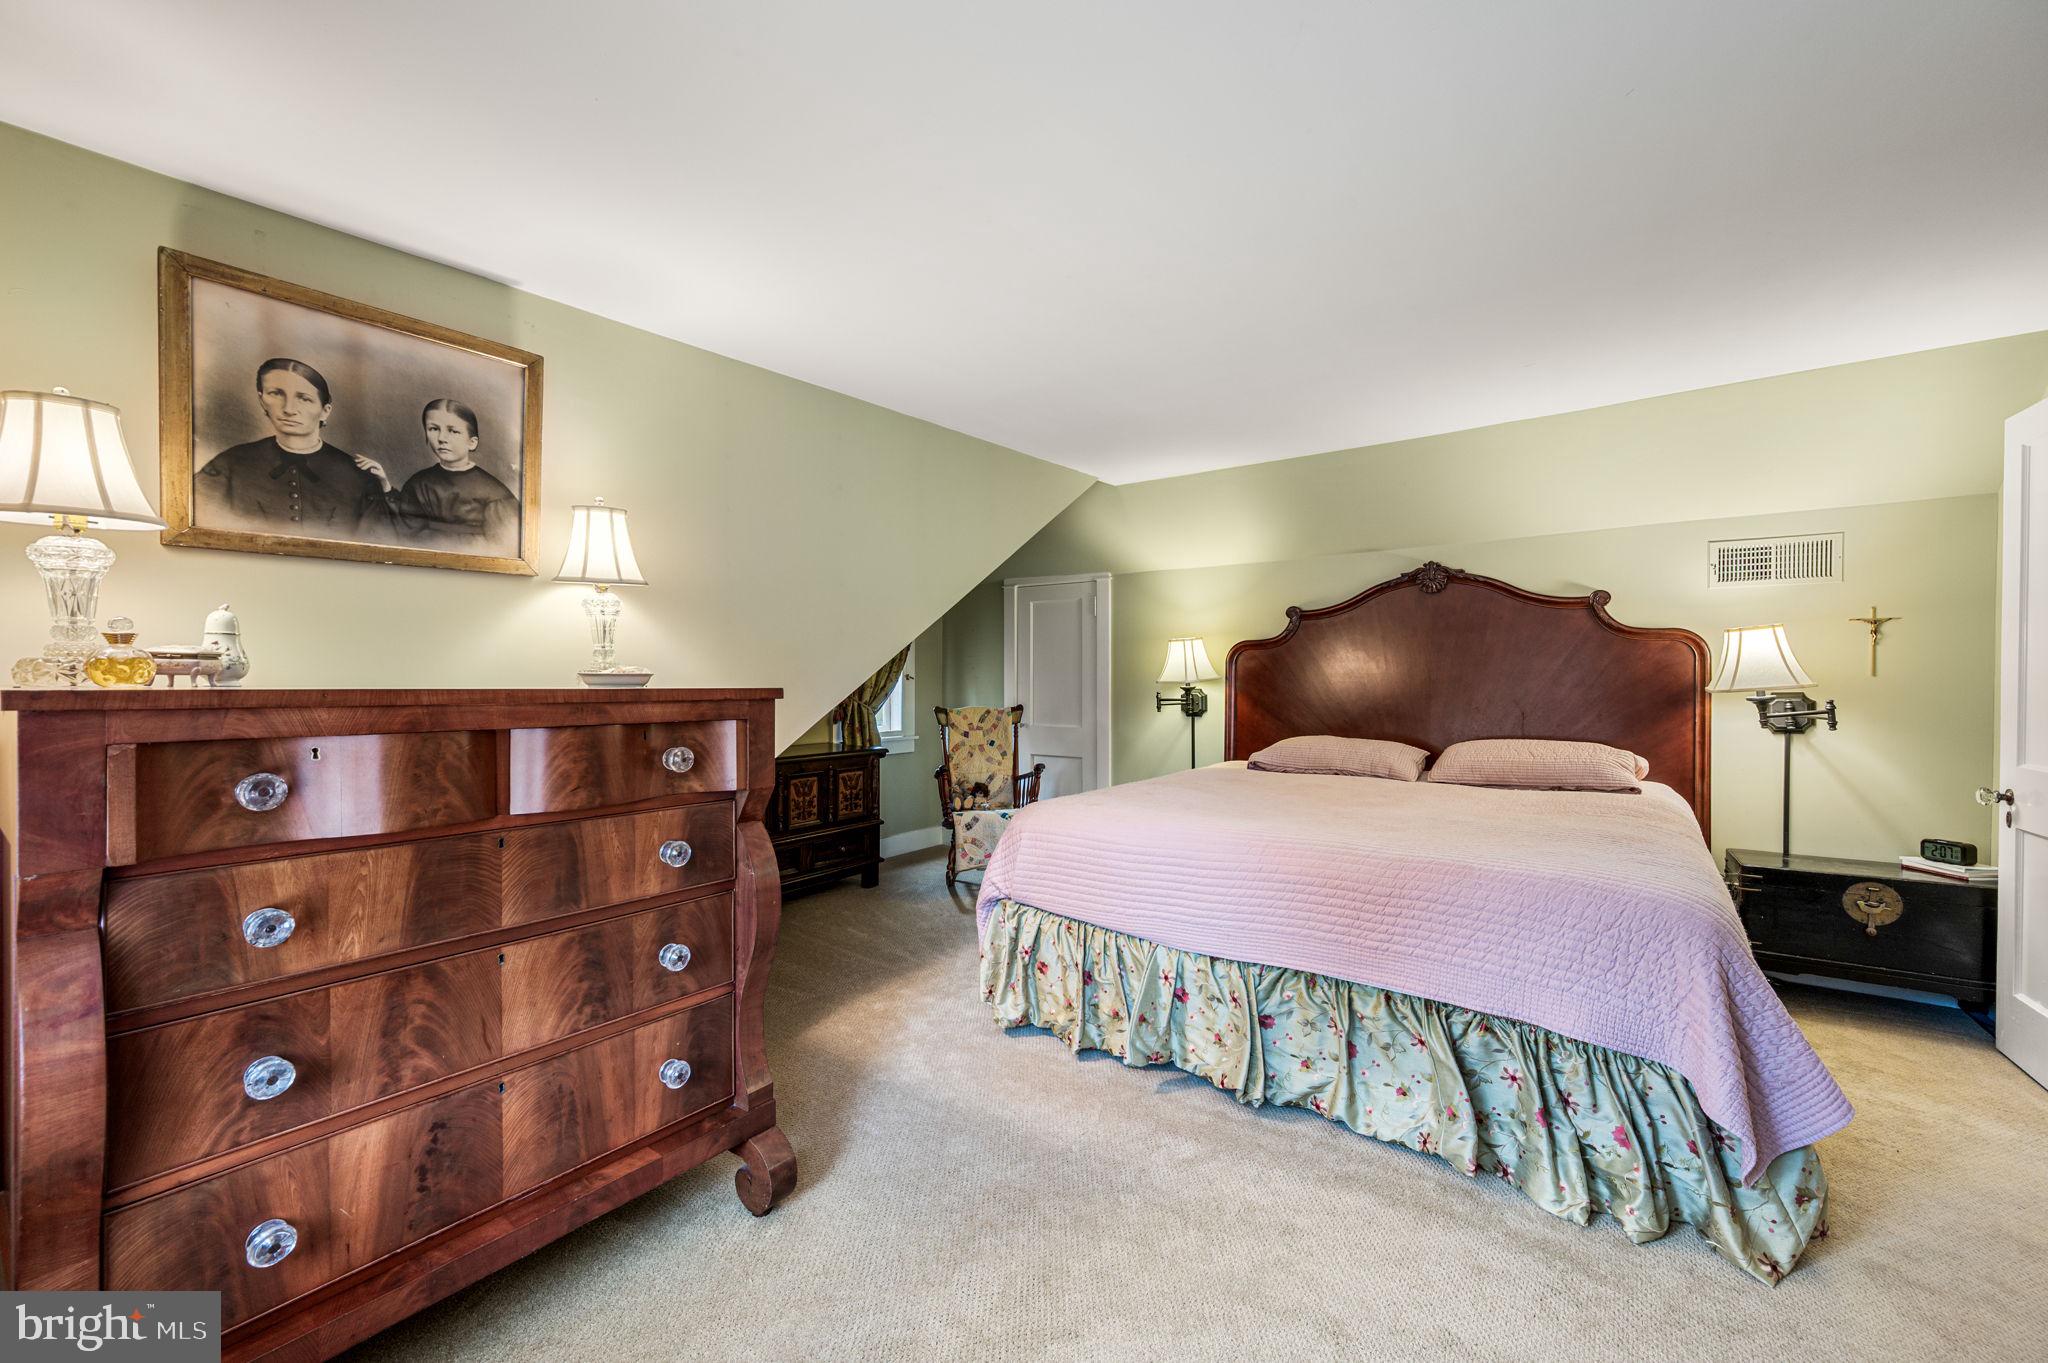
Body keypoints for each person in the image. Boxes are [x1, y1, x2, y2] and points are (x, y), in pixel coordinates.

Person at [194, 358, 394, 539]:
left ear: (325, 411)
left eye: (304, 398)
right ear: (262, 399)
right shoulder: (230, 465)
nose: (288, 409)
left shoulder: (358, 476)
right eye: (276, 394)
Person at [390, 398, 520, 554]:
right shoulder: (417, 484)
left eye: (453, 431)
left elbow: (504, 548)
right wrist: (385, 487)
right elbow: (401, 533)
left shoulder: (495, 494)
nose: (442, 438)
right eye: (433, 429)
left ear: (472, 442)